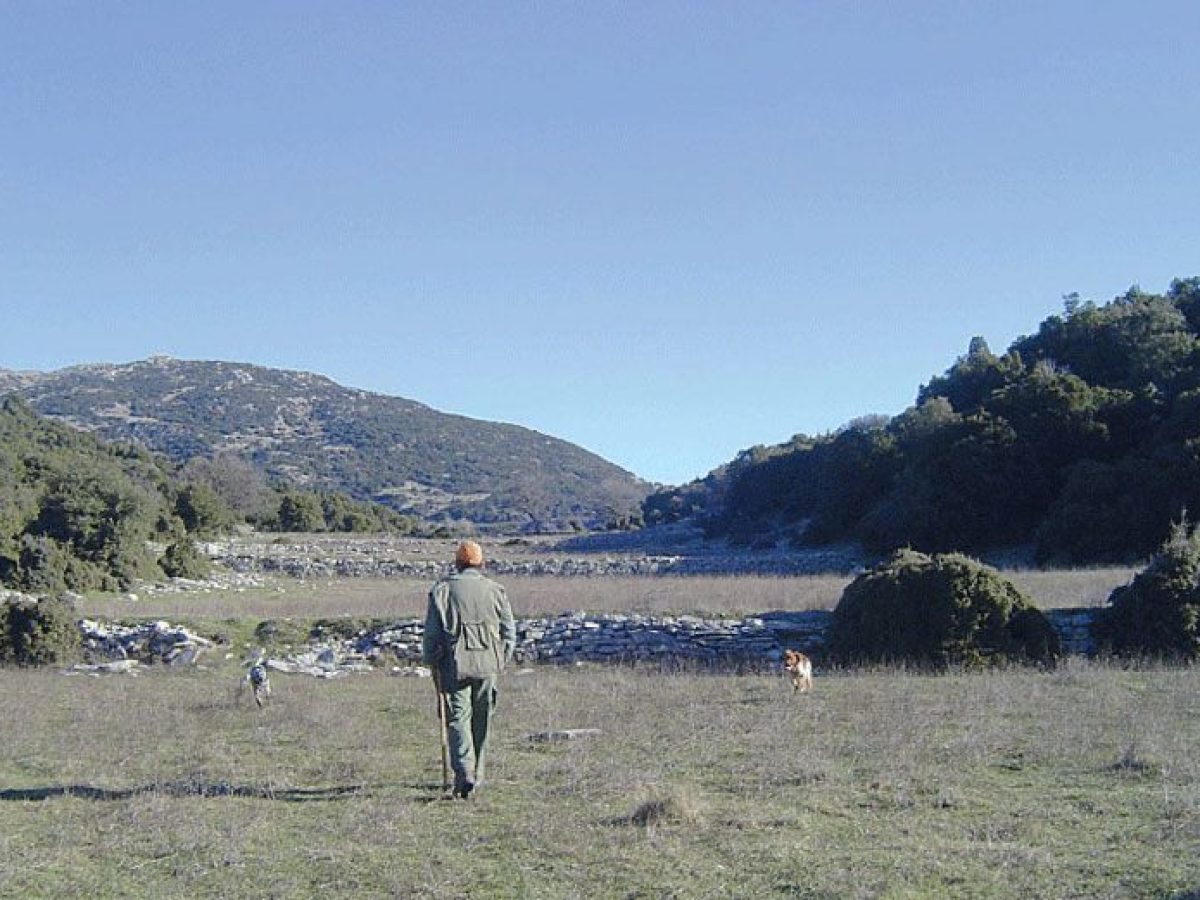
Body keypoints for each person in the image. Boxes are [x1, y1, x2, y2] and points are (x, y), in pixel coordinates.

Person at [422, 540, 516, 799]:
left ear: (457, 563)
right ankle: (478, 773)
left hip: (455, 665)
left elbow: (431, 636)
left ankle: (464, 771)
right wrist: (500, 659)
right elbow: (510, 633)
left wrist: (432, 661)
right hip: (489, 665)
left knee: (457, 719)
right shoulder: (496, 590)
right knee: (482, 717)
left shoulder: (441, 591)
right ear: (481, 563)